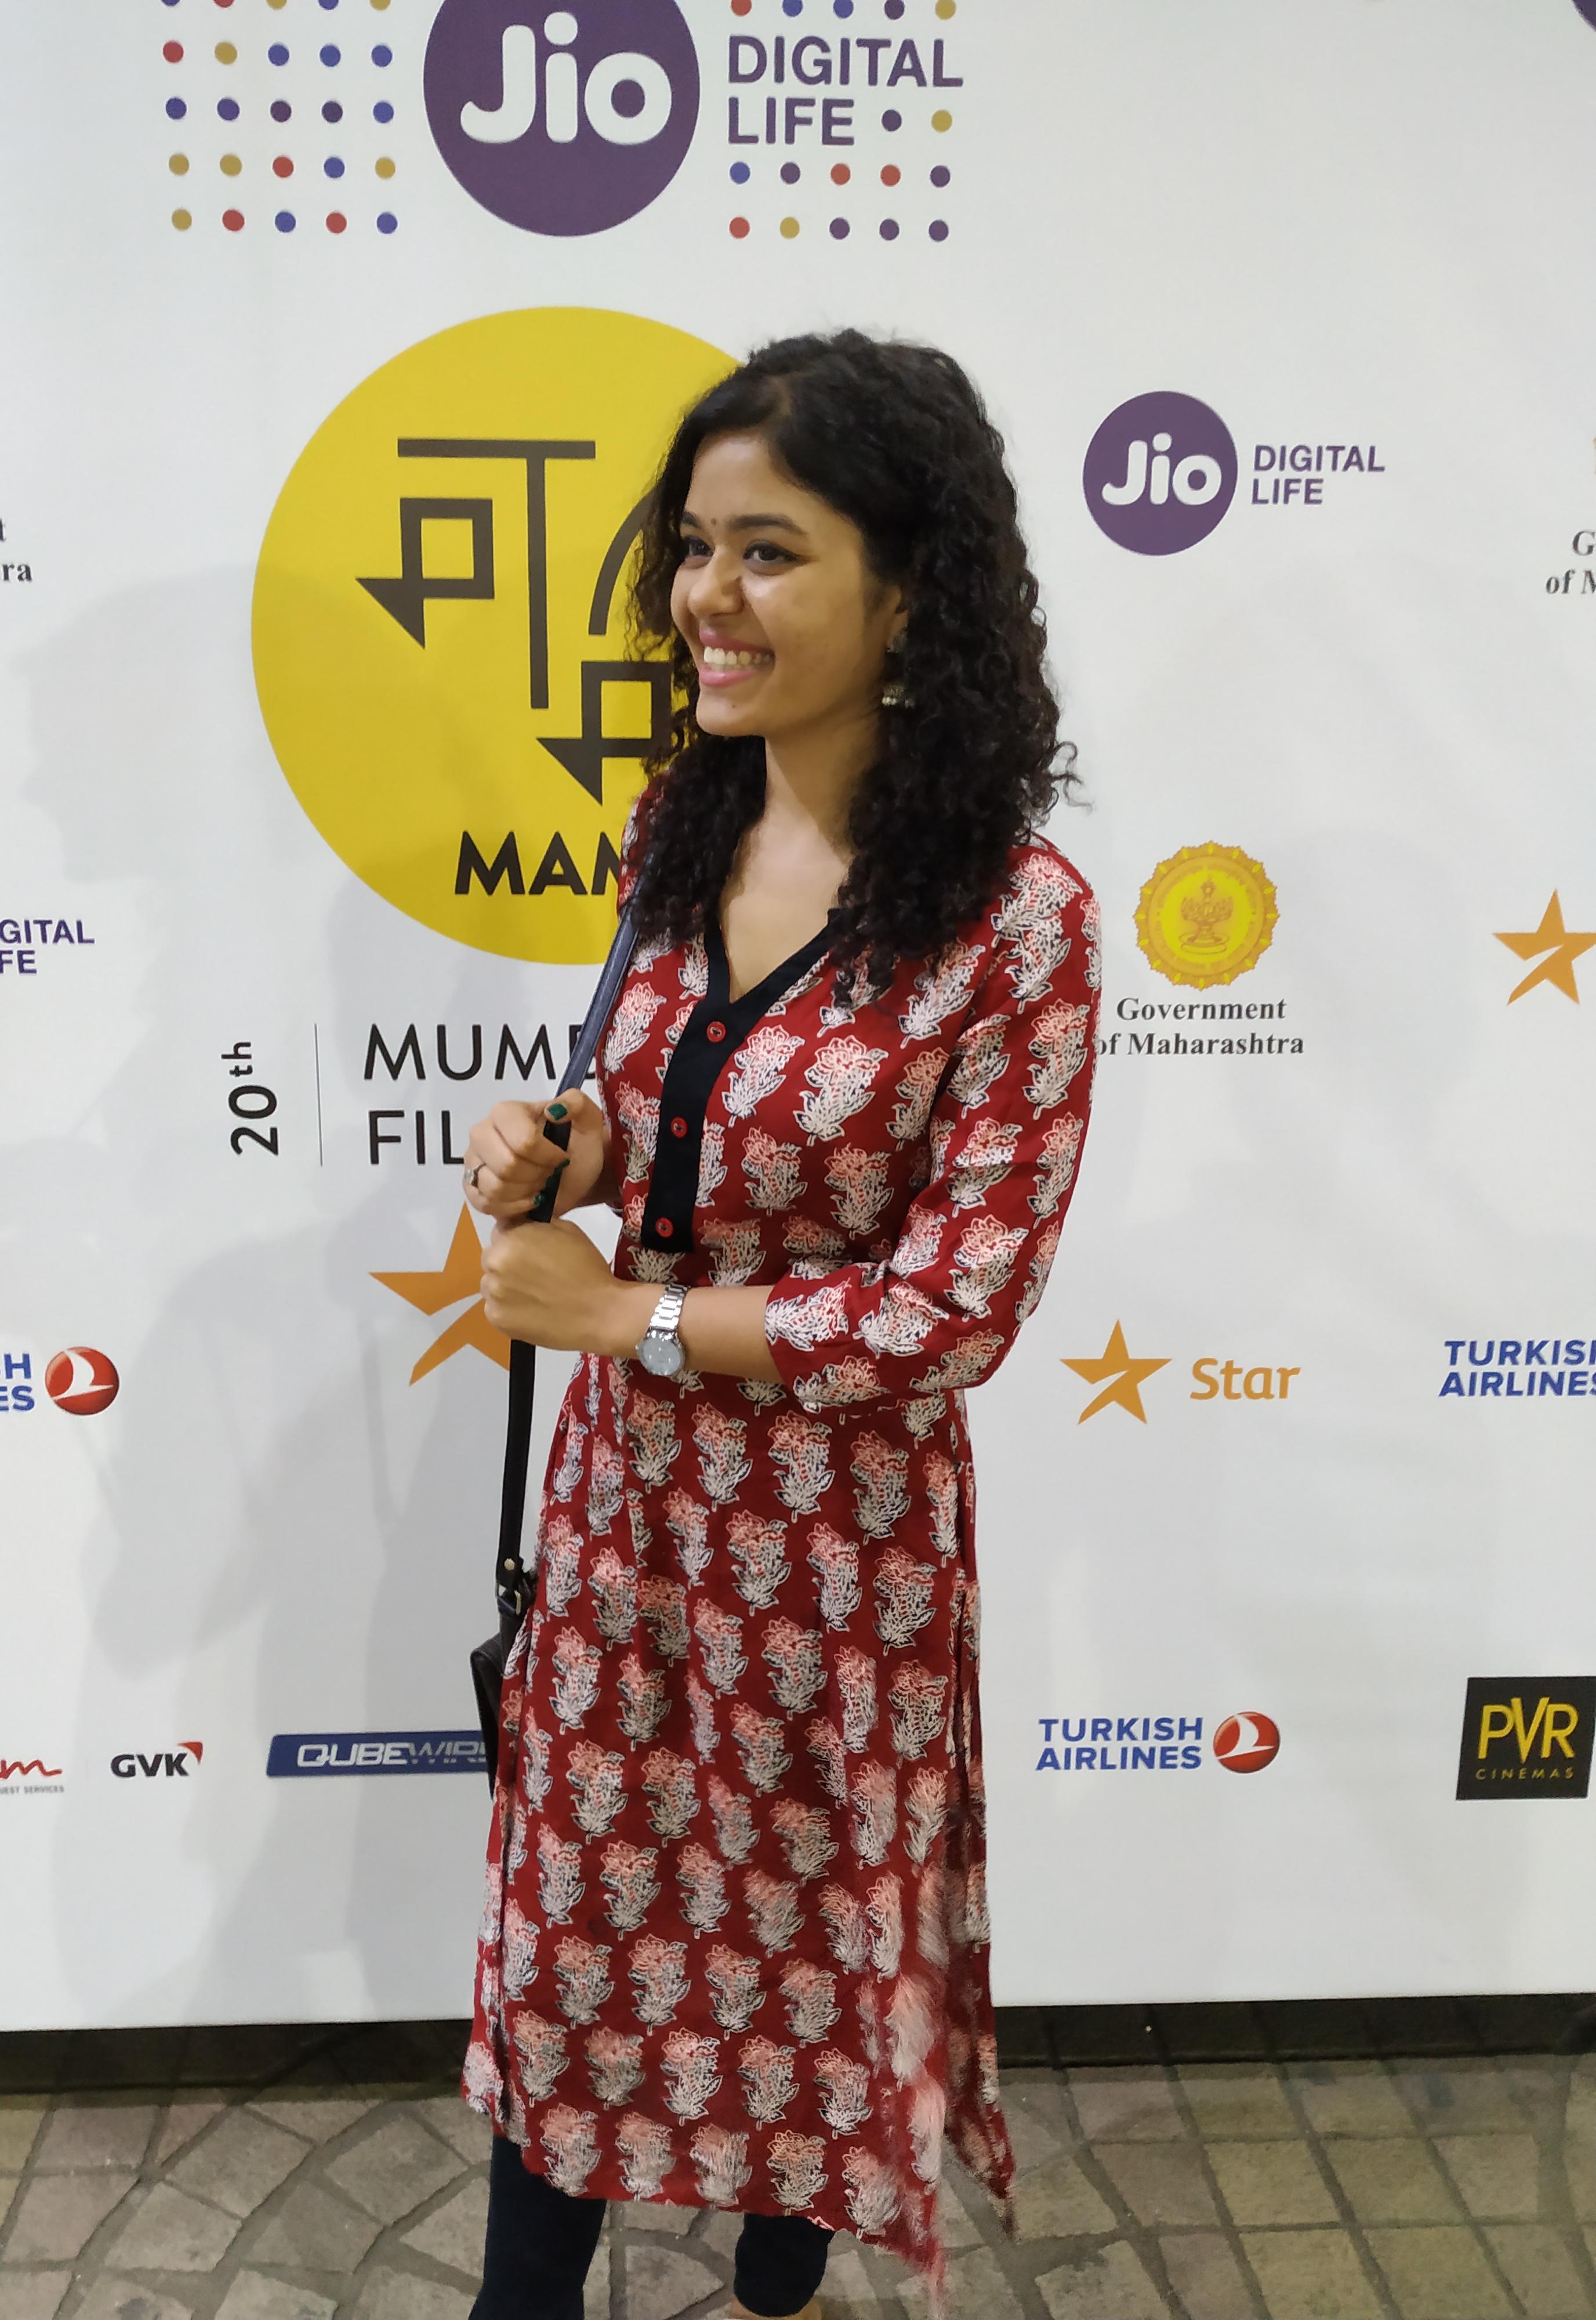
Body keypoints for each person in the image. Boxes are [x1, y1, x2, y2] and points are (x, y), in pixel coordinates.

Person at [458, 329, 1099, 2320]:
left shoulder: (1018, 918)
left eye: (768, 552)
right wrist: (572, 1150)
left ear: (910, 596)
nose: (705, 599)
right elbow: (671, 1112)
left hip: (839, 1559)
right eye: (694, 547)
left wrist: (627, 1314)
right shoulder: (683, 820)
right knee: (577, 1936)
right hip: (629, 1519)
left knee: (812, 1941)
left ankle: (781, 2260)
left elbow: (957, 1305)